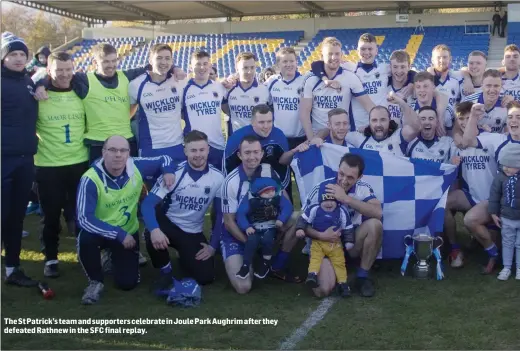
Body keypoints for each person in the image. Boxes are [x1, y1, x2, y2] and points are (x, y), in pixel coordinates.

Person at [35, 43, 185, 164]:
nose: (111, 65)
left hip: (126, 140)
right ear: (95, 62)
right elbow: (60, 77)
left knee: (128, 186)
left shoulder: (126, 76)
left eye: (114, 61)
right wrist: (42, 84)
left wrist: (175, 68)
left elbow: (155, 65)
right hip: (98, 144)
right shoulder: (84, 80)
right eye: (105, 61)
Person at [76, 135, 176, 305]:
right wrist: (119, 234)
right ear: (103, 152)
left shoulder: (135, 166)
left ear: (129, 153)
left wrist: (168, 171)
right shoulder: (90, 179)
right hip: (103, 232)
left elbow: (165, 159)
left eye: (123, 150)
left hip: (128, 232)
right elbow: (84, 219)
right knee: (86, 239)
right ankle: (95, 281)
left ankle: (111, 258)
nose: (118, 155)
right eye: (112, 150)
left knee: (127, 284)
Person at [141, 131, 224, 286]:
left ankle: (185, 255)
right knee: (152, 232)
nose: (198, 155)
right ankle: (165, 270)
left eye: (201, 150)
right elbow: (147, 204)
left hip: (192, 231)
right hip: (168, 224)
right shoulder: (174, 173)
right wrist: (154, 230)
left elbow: (220, 214)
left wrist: (212, 246)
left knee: (205, 277)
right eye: (193, 150)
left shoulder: (218, 178)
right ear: (185, 151)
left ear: (208, 150)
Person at [221, 135, 300, 294]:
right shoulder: (231, 182)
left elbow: (286, 203)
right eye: (247, 153)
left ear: (262, 153)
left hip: (266, 225)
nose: (252, 157)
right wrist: (251, 242)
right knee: (243, 287)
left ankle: (277, 265)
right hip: (239, 232)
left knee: (300, 217)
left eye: (256, 152)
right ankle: (256, 256)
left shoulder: (268, 171)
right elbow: (229, 222)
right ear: (240, 155)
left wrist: (278, 223)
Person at [34, 51, 90, 278]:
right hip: (48, 165)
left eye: (68, 69)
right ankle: (51, 257)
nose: (65, 74)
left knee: (80, 213)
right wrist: (39, 84)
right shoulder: (39, 95)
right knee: (50, 215)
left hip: (78, 162)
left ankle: (83, 251)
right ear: (49, 71)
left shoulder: (81, 93)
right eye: (59, 70)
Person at [302, 153, 382, 297]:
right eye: (341, 174)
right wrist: (320, 235)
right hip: (324, 245)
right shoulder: (321, 188)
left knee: (375, 225)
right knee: (322, 290)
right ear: (338, 169)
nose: (344, 180)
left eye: (350, 177)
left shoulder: (363, 188)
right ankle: (318, 268)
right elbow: (301, 223)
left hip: (350, 243)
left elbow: (378, 212)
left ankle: (362, 277)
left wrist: (346, 199)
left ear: (359, 178)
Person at [461, 101, 520, 273]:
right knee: (470, 219)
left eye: (518, 117)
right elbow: (468, 140)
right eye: (510, 117)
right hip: (501, 201)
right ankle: (495, 253)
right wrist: (472, 115)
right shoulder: (498, 140)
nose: (514, 120)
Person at [312, 34, 415, 131]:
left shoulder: (384, 68)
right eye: (363, 49)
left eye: (370, 49)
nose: (366, 52)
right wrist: (325, 79)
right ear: (357, 51)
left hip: (381, 126)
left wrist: (411, 84)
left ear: (376, 51)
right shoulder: (349, 68)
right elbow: (317, 64)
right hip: (358, 128)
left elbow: (410, 72)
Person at [1, 32, 39, 287]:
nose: (17, 58)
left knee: (16, 217)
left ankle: (12, 268)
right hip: (3, 159)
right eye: (12, 54)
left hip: (26, 159)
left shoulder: (28, 81)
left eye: (21, 54)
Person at [300, 37, 374, 139]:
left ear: (341, 55)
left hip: (343, 136)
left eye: (337, 54)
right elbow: (304, 112)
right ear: (322, 56)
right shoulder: (310, 79)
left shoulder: (350, 77)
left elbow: (369, 105)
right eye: (330, 54)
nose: (334, 57)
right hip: (318, 137)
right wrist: (311, 139)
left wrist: (382, 122)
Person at [128, 44, 187, 164]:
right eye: (159, 58)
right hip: (150, 148)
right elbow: (129, 113)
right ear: (150, 60)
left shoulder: (180, 82)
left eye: (167, 58)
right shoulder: (136, 85)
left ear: (172, 61)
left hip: (177, 146)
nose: (163, 62)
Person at [296, 186, 354, 298]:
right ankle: (312, 275)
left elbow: (348, 227)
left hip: (335, 245)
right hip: (318, 243)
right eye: (325, 200)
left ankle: (343, 284)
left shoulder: (341, 211)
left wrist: (349, 241)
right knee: (315, 259)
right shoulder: (314, 209)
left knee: (340, 263)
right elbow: (303, 219)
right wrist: (299, 229)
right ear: (320, 201)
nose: (329, 203)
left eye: (332, 200)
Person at [235, 176, 293, 279]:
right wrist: (246, 227)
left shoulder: (277, 198)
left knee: (268, 240)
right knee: (251, 242)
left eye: (272, 190)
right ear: (258, 192)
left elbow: (288, 207)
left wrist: (281, 219)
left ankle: (265, 263)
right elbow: (240, 214)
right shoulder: (250, 199)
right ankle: (245, 265)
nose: (271, 193)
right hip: (254, 227)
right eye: (267, 192)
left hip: (270, 226)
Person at [223, 104, 290, 191]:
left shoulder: (278, 135)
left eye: (269, 121)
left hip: (273, 184)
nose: (266, 126)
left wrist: (279, 188)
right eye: (261, 122)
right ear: (252, 122)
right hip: (244, 183)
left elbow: (285, 168)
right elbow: (227, 168)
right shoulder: (237, 139)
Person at [182, 50, 228, 170]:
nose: (202, 67)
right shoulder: (184, 89)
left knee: (218, 182)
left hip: (217, 145)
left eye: (205, 63)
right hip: (194, 146)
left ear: (210, 65)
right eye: (197, 64)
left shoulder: (220, 87)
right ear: (191, 67)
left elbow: (227, 109)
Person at [342, 93, 421, 156]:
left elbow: (416, 127)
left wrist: (402, 103)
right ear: (369, 122)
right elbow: (337, 135)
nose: (378, 124)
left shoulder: (398, 137)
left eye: (383, 120)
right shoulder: (359, 139)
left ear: (389, 121)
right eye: (374, 120)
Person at [488, 143, 520, 280]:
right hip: (506, 217)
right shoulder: (500, 177)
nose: (506, 168)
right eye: (504, 165)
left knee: (519, 244)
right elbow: (494, 196)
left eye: (510, 165)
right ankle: (506, 267)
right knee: (507, 242)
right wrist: (493, 213)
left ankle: (519, 268)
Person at [266, 47, 306, 151]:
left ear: (296, 62)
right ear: (278, 64)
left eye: (292, 61)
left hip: (300, 138)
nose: (289, 64)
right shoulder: (272, 82)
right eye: (285, 61)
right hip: (278, 137)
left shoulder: (305, 82)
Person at [225, 52, 270, 133]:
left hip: (258, 139)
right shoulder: (229, 89)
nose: (249, 71)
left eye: (252, 67)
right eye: (245, 68)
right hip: (236, 139)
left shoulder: (264, 90)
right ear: (237, 68)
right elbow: (224, 109)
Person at [462, 69, 508, 133]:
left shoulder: (506, 105)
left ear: (501, 86)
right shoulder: (468, 101)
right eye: (488, 85)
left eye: (496, 86)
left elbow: (508, 135)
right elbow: (457, 129)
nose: (492, 90)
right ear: (482, 85)